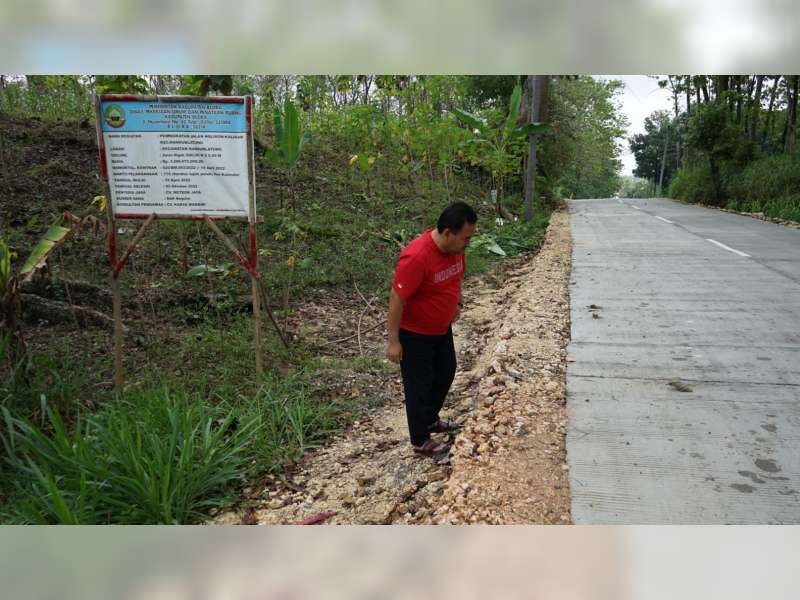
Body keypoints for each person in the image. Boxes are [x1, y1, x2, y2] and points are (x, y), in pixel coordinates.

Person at [386, 201, 478, 457]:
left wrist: (457, 302)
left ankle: (430, 420)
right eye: (465, 238)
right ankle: (420, 439)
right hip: (415, 334)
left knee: (446, 371)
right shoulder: (417, 256)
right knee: (418, 386)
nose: (467, 244)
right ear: (448, 233)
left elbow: (457, 278)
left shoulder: (456, 250)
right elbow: (397, 297)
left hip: (441, 329)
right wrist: (393, 341)